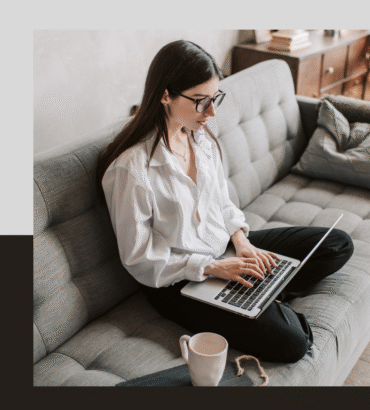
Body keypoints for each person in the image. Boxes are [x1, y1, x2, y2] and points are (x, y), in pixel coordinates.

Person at [96, 40, 353, 363]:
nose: (212, 112)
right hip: (178, 280)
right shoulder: (131, 169)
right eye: (201, 101)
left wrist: (243, 243)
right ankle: (262, 296)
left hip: (224, 250)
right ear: (165, 95)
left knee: (337, 244)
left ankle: (260, 291)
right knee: (293, 343)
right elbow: (139, 258)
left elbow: (221, 202)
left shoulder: (199, 137)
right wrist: (212, 268)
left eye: (215, 98)